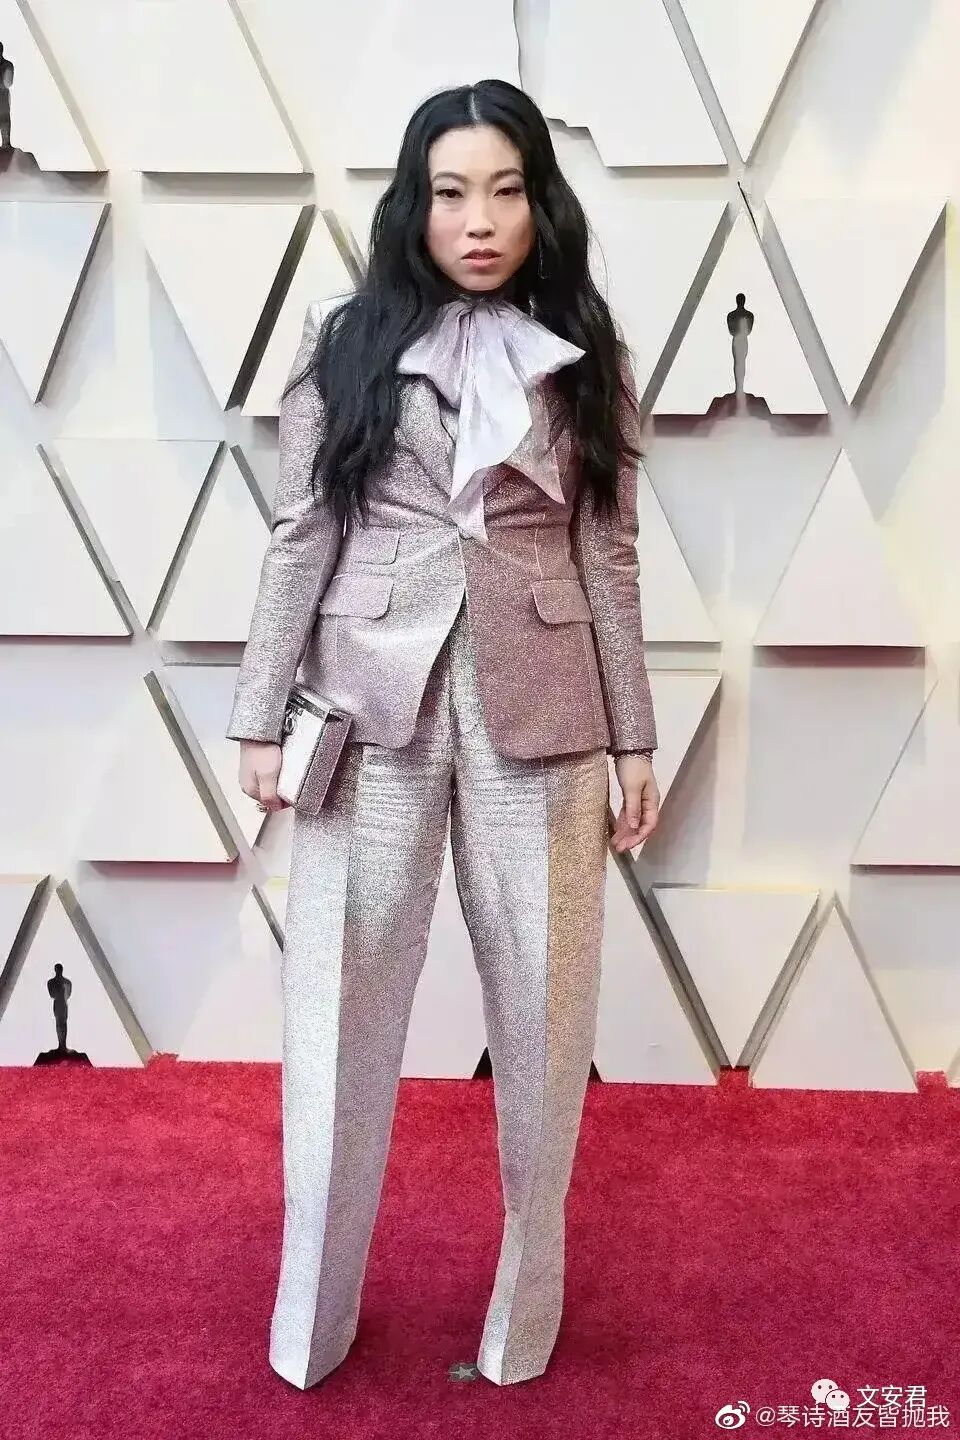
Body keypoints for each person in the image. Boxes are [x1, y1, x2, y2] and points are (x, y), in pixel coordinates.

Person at [226, 77, 660, 1392]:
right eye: (453, 191)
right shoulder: (345, 347)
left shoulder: (583, 351)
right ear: (415, 204)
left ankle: (522, 1323)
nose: (480, 221)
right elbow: (301, 532)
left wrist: (635, 740)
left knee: (546, 1018)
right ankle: (312, 1323)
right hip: (371, 699)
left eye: (507, 191)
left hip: (548, 708)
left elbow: (609, 553)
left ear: (541, 205)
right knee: (337, 1011)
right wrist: (258, 715)